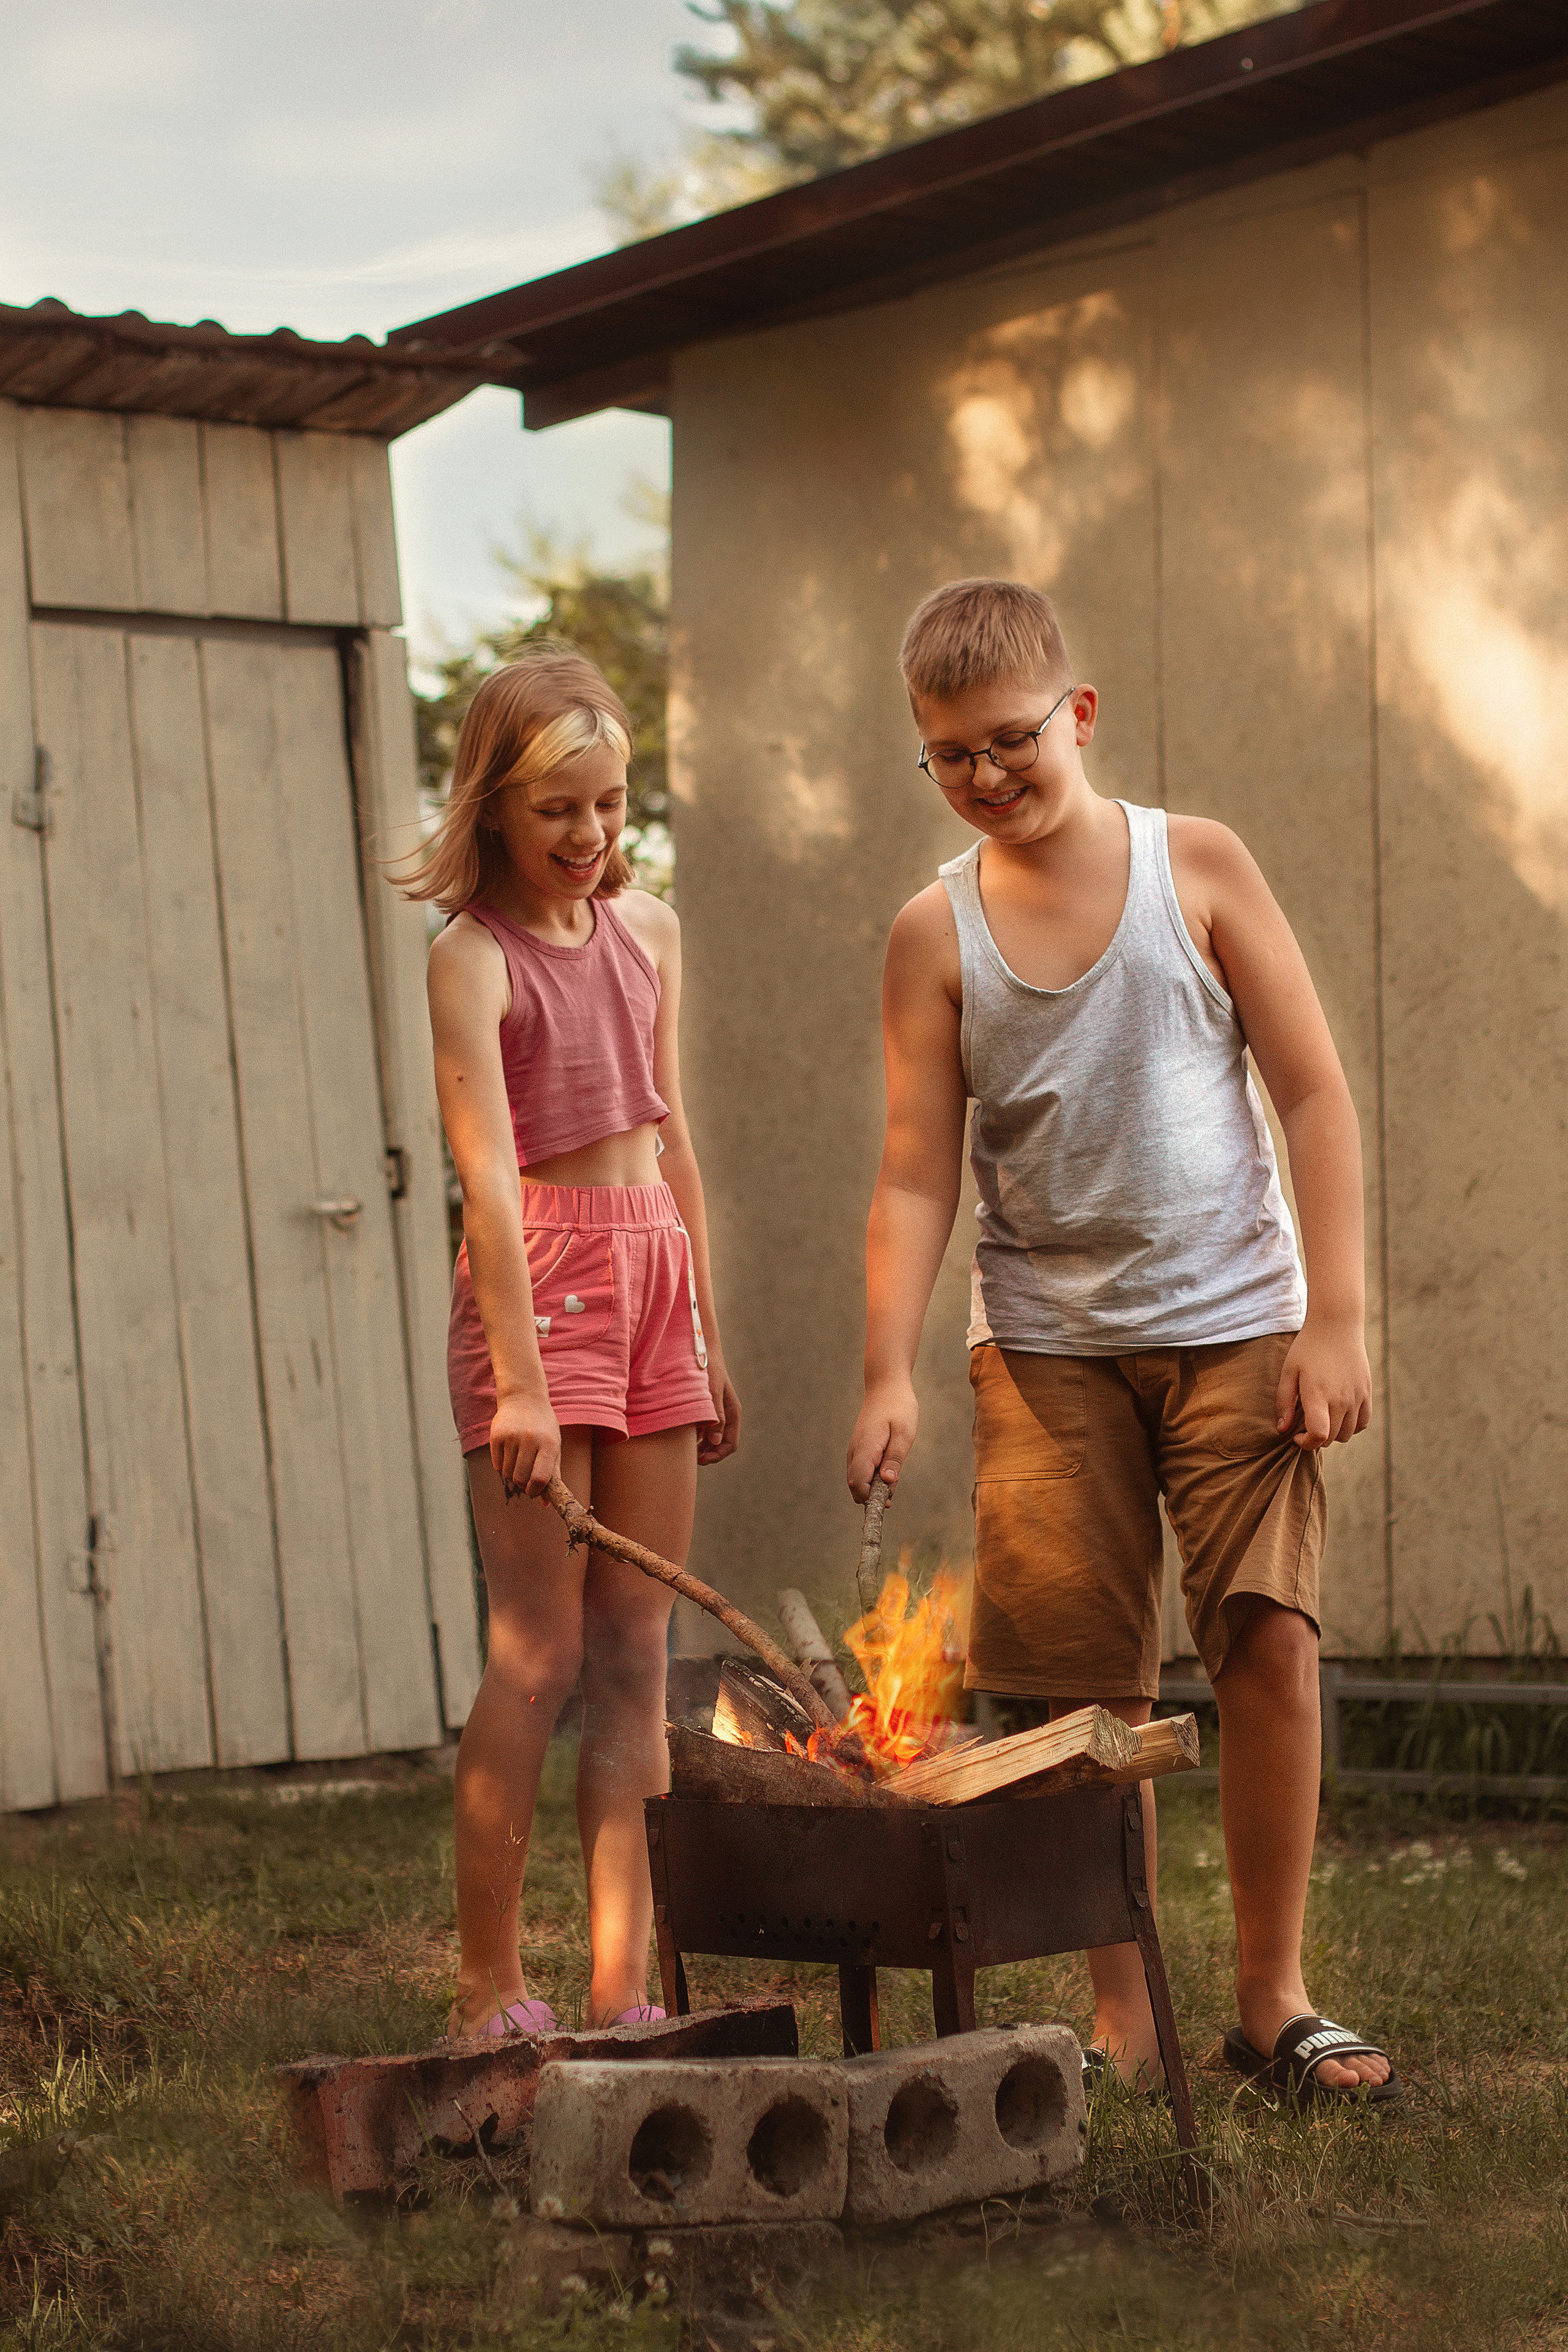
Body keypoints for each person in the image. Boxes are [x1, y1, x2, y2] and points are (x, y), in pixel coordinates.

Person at [846, 579, 1398, 2106]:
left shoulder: (1193, 866)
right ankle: (1127, 2011)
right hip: (1043, 1354)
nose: (983, 774)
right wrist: (885, 1366)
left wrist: (1336, 1318)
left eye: (1008, 738)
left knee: (1265, 1643)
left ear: (1074, 714)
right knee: (1092, 1703)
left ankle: (1273, 2000)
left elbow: (1311, 1094)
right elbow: (910, 1171)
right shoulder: (929, 933)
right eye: (947, 755)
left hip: (1238, 1328)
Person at [399, 646, 738, 2039]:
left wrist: (704, 1332)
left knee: (635, 1657)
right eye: (557, 811)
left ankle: (617, 1995)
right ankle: (488, 1991)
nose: (589, 836)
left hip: (653, 1273)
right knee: (535, 1654)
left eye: (607, 805)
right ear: (492, 806)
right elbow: (485, 1182)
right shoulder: (466, 961)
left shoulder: (648, 930)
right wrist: (522, 1387)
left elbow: (672, 1143)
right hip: (534, 1288)